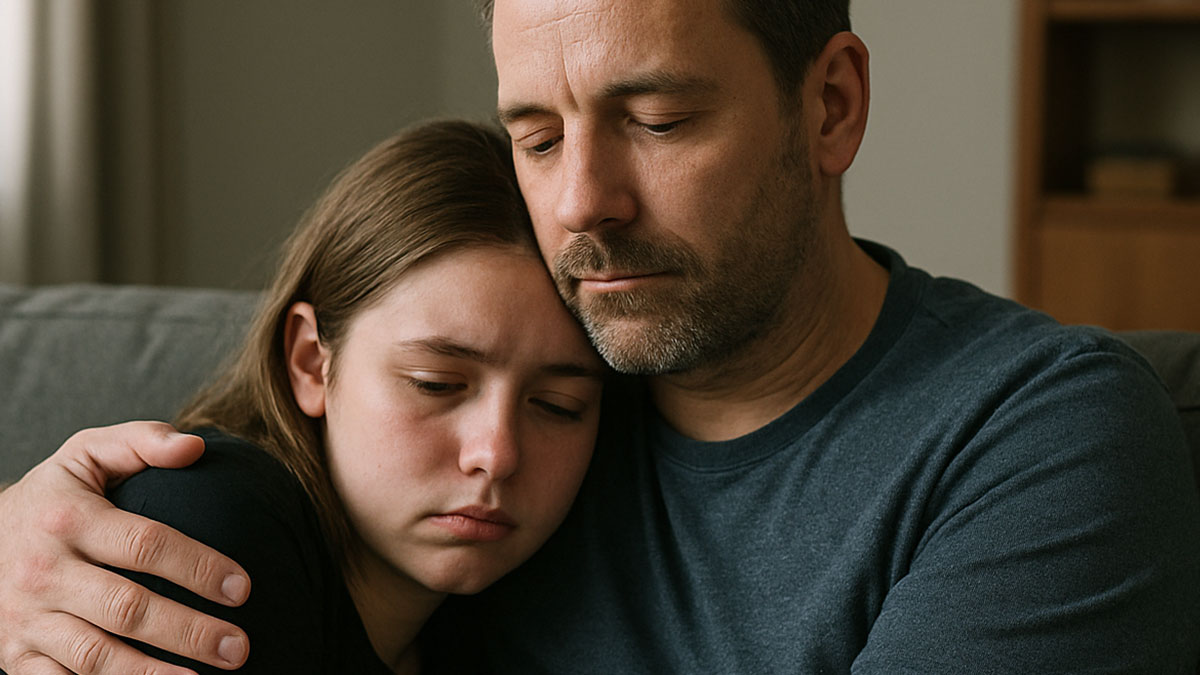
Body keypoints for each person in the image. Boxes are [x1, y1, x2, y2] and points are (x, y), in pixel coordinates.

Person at [2, 0, 1198, 672]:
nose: (581, 204)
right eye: (535, 136)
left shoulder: (1037, 436)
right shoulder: (532, 405)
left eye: (660, 118)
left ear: (829, 107)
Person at [0, 118, 606, 674]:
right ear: (311, 362)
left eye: (558, 406)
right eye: (436, 384)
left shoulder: (512, 616)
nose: (496, 455)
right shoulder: (205, 525)